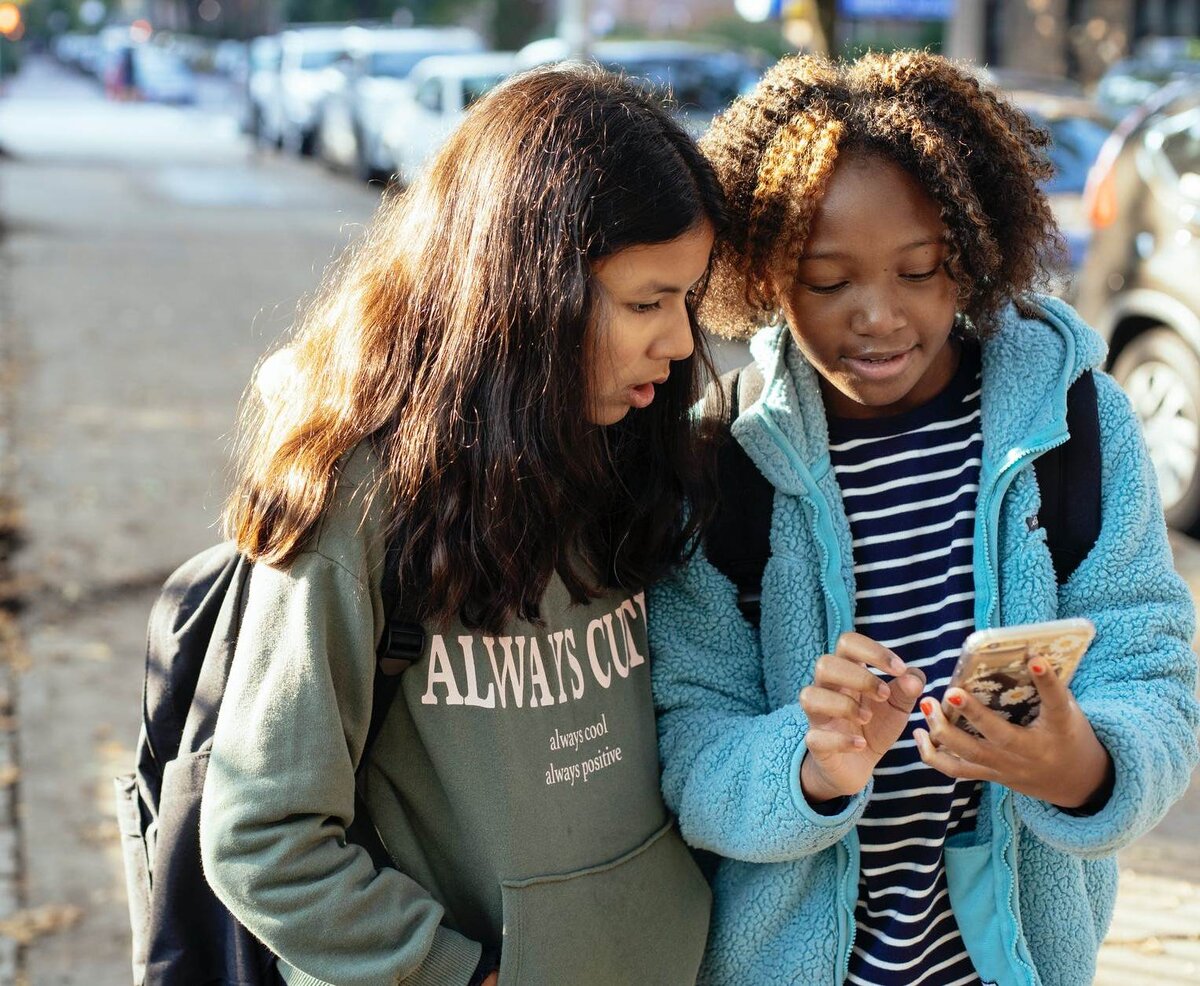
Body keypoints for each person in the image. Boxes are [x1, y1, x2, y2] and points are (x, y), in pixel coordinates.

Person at [650, 51, 1200, 986]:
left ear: (975, 251)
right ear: (767, 273)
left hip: (1016, 964)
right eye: (828, 282)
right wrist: (812, 764)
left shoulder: (1073, 425)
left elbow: (1155, 670)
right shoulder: (720, 462)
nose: (880, 316)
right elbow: (689, 743)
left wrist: (1082, 764)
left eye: (922, 270)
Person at [199, 64, 725, 986]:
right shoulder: (361, 494)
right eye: (647, 302)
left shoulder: (634, 444)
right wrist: (455, 973)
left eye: (689, 299)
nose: (681, 342)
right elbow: (262, 837)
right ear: (526, 290)